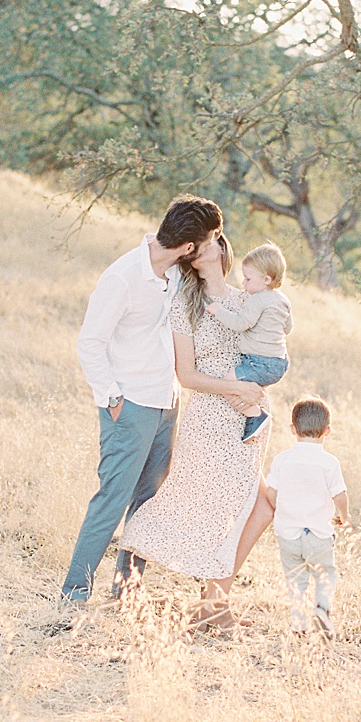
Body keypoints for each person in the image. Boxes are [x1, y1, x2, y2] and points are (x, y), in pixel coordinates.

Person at [61, 194, 224, 604]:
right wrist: (112, 399)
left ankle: (125, 594)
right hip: (130, 405)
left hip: (167, 402)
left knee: (148, 506)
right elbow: (90, 342)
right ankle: (72, 595)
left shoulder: (176, 274)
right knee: (112, 500)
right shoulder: (122, 277)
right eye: (208, 240)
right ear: (188, 246)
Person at [117, 232, 273, 631]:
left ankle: (212, 604)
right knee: (216, 504)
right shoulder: (185, 308)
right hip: (209, 418)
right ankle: (204, 604)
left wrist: (252, 389)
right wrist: (234, 387)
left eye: (212, 240)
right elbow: (186, 376)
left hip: (248, 416)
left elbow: (268, 352)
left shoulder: (247, 300)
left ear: (223, 249)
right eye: (195, 242)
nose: (203, 245)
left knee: (261, 505)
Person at [264, 397, 349, 638]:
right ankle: (322, 609)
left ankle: (298, 625)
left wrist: (279, 509)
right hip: (319, 535)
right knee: (326, 573)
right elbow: (340, 495)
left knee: (296, 580)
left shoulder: (282, 460)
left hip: (288, 535)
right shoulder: (329, 463)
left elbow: (272, 492)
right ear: (328, 431)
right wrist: (344, 516)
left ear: (293, 429)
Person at [205, 242, 293, 443]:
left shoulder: (257, 300)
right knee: (237, 384)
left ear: (266, 279)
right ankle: (253, 412)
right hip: (280, 361)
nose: (243, 283)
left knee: (227, 383)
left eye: (247, 278)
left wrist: (219, 311)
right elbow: (287, 328)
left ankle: (255, 414)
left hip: (261, 362)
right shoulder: (283, 300)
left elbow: (240, 323)